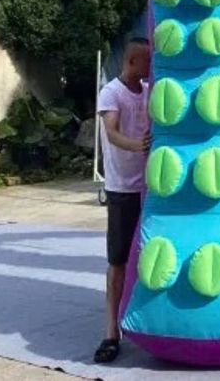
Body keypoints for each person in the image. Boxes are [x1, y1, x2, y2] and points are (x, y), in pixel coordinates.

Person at [93, 38, 151, 364]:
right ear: (131, 61)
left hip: (151, 188)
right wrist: (135, 145)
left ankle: (141, 318)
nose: (150, 67)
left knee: (148, 259)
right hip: (122, 190)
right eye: (147, 62)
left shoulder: (147, 91)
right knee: (118, 261)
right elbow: (112, 133)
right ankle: (111, 332)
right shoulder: (110, 93)